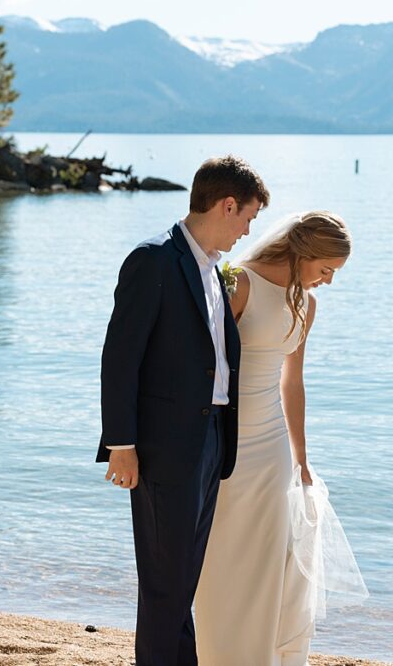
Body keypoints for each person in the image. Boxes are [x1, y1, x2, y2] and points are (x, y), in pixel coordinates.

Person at [97, 155, 269, 666]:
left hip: (211, 442)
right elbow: (120, 358)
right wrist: (121, 445)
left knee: (182, 580)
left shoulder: (214, 270)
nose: (247, 231)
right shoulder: (153, 260)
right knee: (163, 583)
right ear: (227, 205)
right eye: (248, 218)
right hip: (164, 449)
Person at [194, 211, 367, 666]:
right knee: (225, 554)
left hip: (273, 448)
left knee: (272, 559)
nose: (328, 280)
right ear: (304, 253)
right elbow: (203, 366)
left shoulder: (307, 305)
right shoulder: (240, 284)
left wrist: (301, 458)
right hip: (228, 444)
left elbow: (293, 382)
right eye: (325, 269)